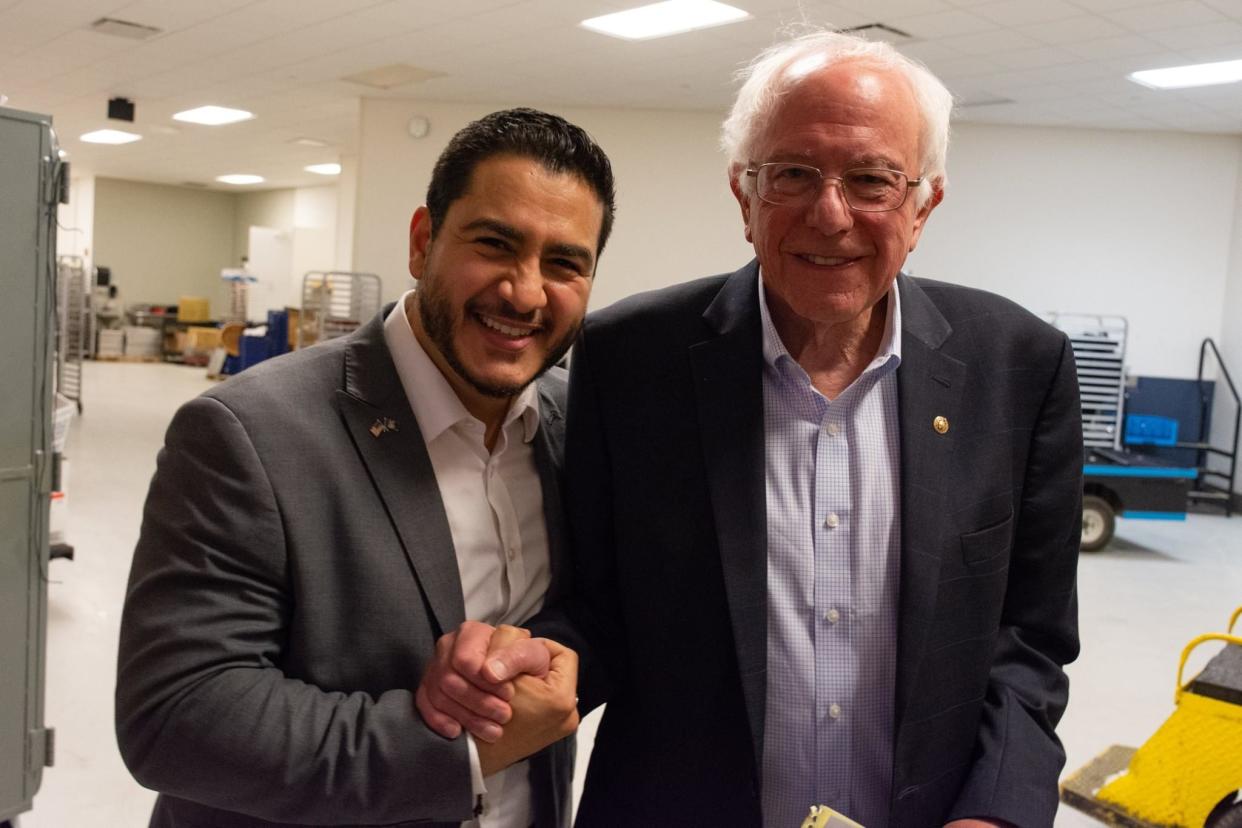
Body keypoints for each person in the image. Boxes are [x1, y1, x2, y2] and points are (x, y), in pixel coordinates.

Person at [418, 30, 1082, 828]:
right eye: (793, 174)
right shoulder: (631, 358)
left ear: (923, 204)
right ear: (744, 194)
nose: (829, 214)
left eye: (871, 179)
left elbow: (1029, 641)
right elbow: (594, 606)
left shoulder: (1018, 365)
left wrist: (997, 811)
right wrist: (526, 663)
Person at [115, 107, 616, 828]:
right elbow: (177, 717)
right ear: (422, 242)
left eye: (565, 262)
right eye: (495, 243)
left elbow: (597, 615)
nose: (526, 291)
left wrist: (534, 660)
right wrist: (465, 748)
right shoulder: (250, 433)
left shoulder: (575, 428)